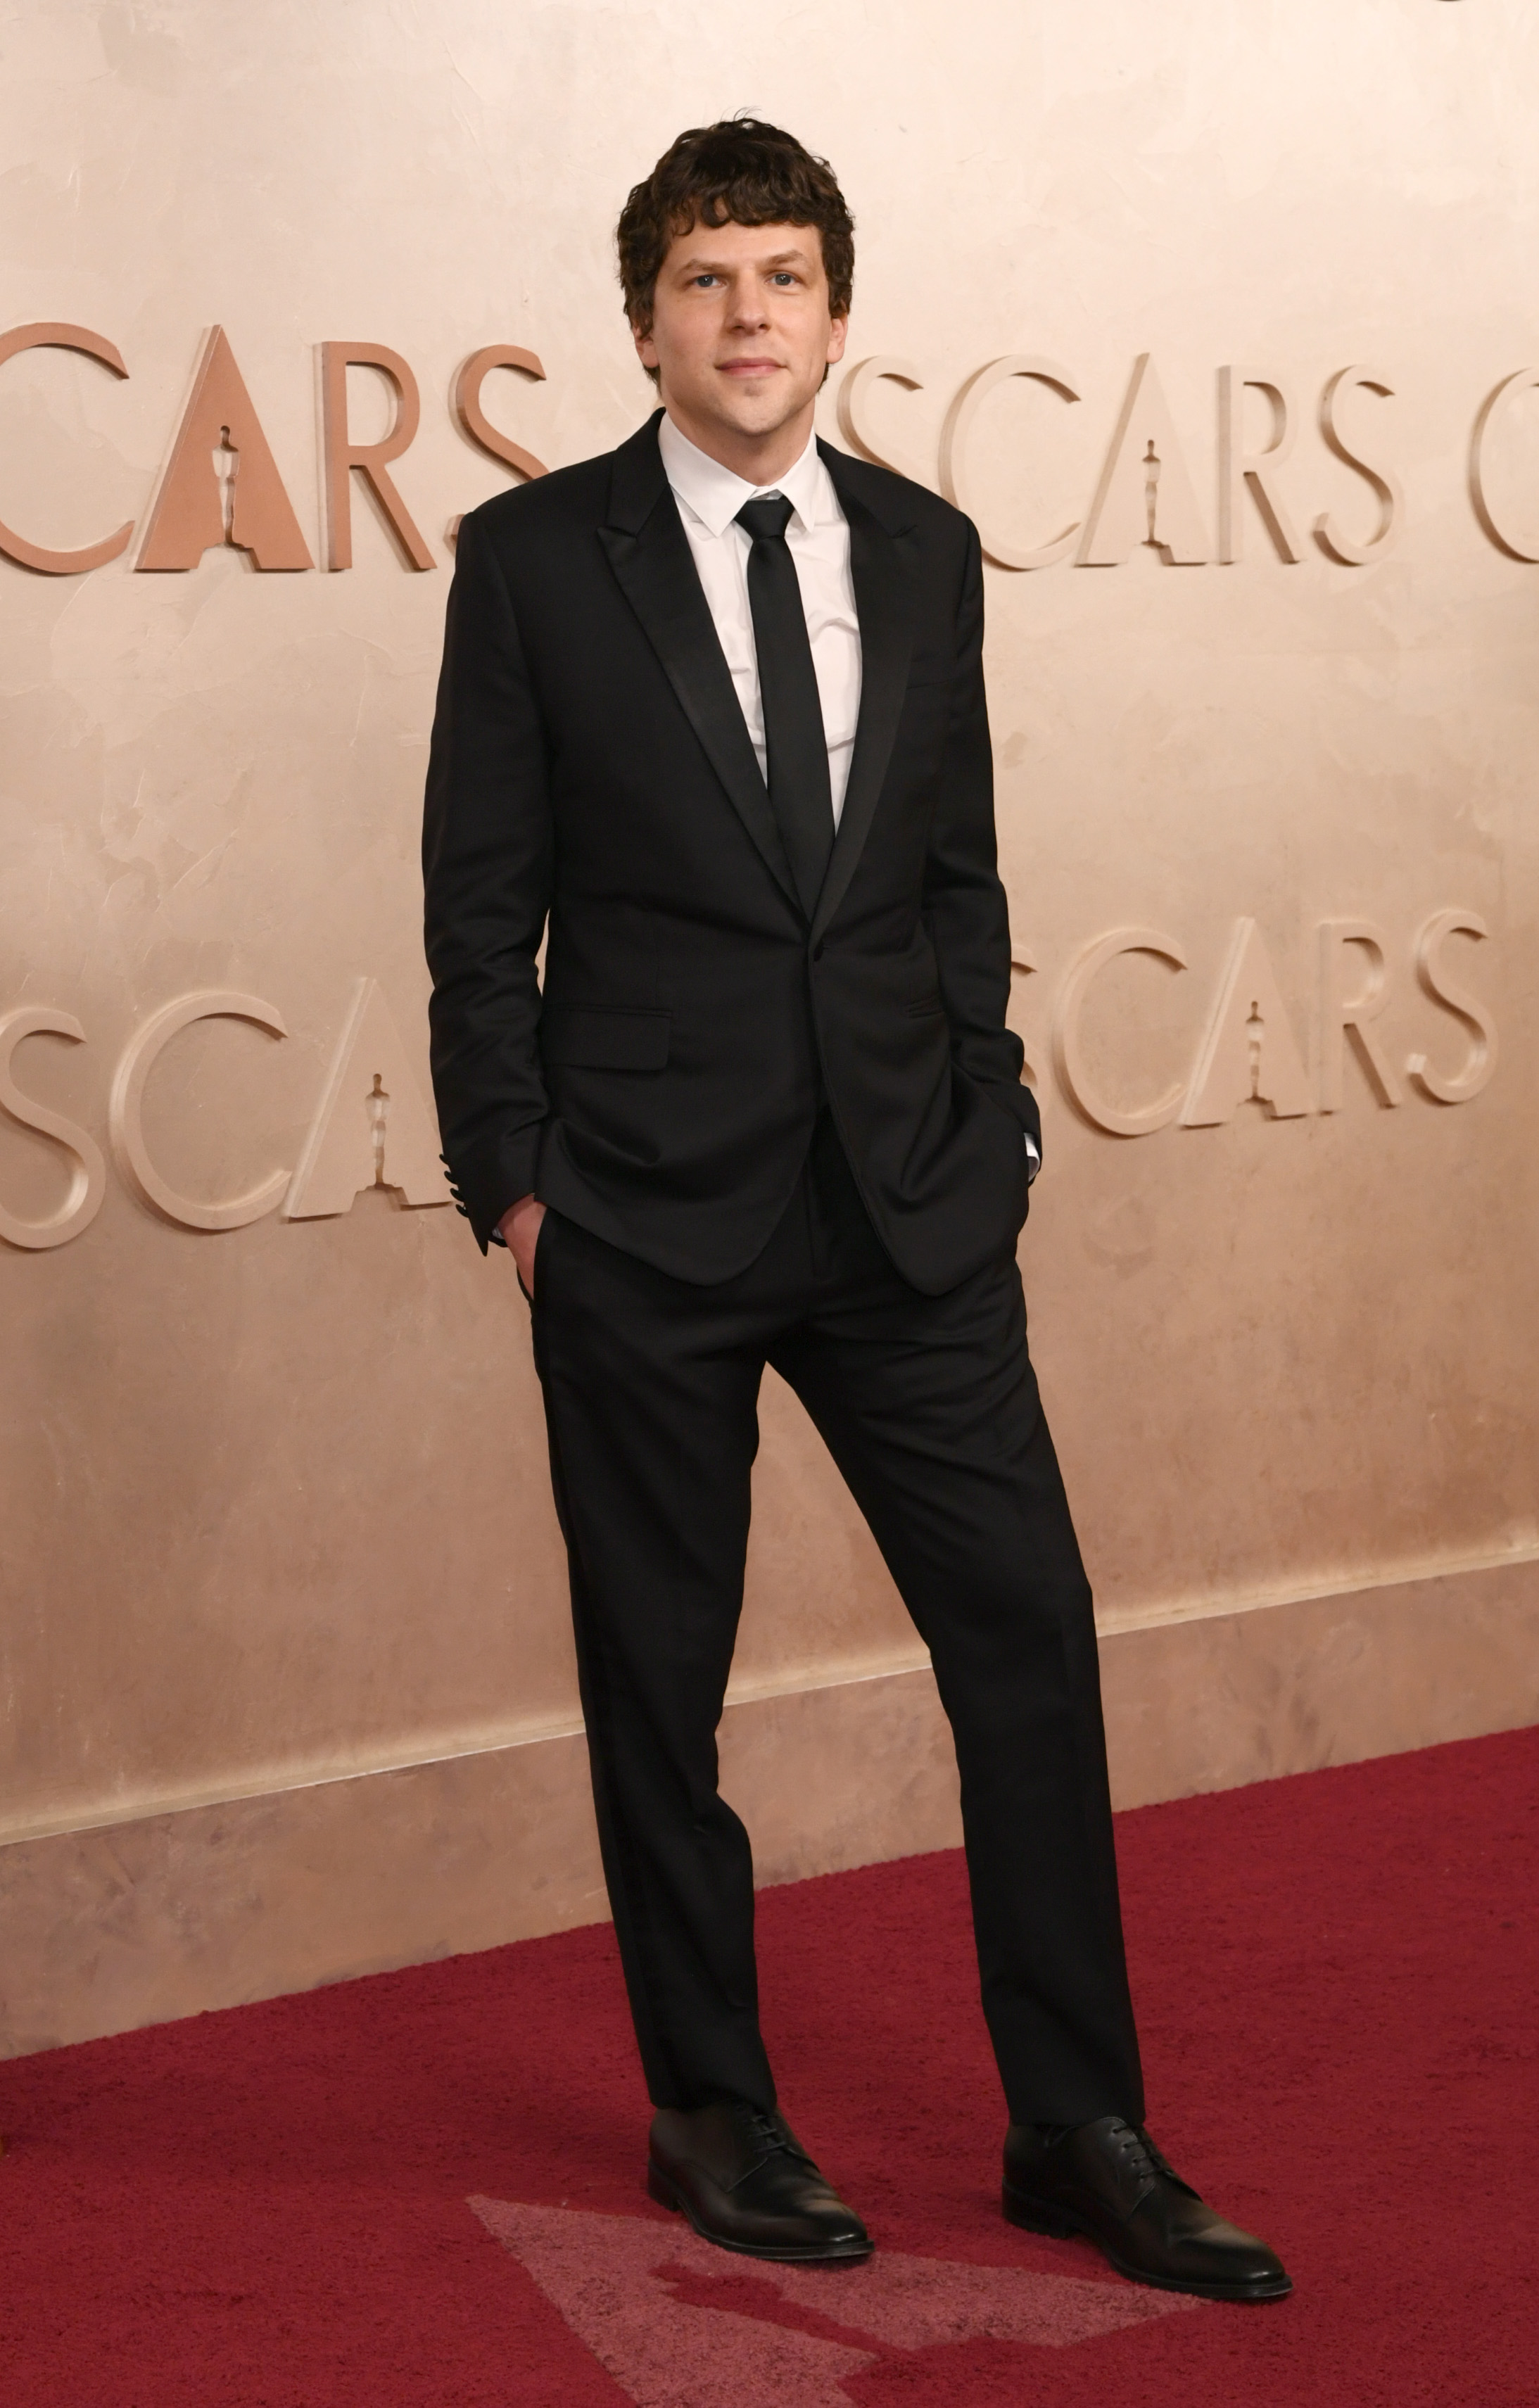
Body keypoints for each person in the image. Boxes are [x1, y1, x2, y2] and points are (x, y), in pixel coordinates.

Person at [422, 116, 1288, 2302]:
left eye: (783, 278)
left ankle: (1074, 2120)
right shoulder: (533, 566)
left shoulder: (921, 549)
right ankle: (711, 2100)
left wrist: (988, 1124)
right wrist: (518, 1190)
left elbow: (952, 875)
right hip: (639, 1221)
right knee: (659, 1682)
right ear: (646, 320)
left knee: (1026, 1641)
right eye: (708, 281)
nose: (748, 319)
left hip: (908, 1216)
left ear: (834, 312)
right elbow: (475, 912)